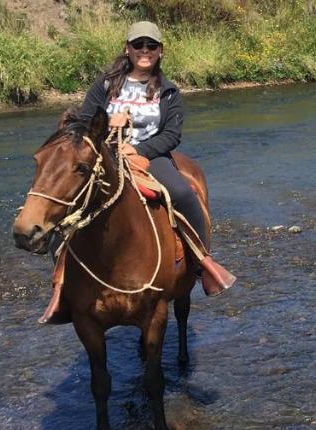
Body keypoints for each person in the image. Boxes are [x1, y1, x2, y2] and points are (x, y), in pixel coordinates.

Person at [78, 20, 236, 296]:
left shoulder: (169, 91)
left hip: (150, 155)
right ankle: (64, 278)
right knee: (68, 197)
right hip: (105, 153)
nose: (145, 50)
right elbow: (83, 123)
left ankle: (202, 261)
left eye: (151, 45)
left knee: (184, 194)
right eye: (138, 44)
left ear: (160, 51)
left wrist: (139, 150)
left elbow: (172, 135)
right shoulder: (105, 85)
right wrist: (106, 123)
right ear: (127, 49)